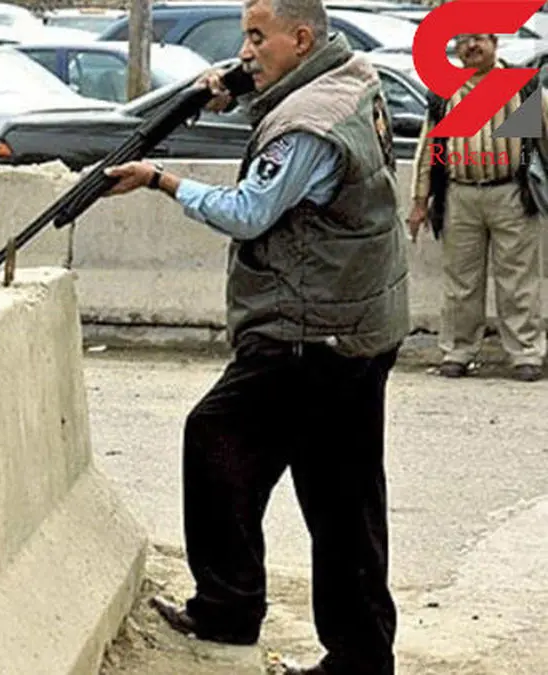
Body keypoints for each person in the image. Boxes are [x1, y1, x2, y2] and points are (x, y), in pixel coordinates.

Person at [100, 0, 410, 673]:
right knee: (346, 497)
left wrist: (161, 180)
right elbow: (292, 131)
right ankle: (357, 654)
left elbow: (249, 211)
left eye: (256, 37)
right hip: (358, 320)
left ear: (300, 38)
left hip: (308, 332)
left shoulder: (307, 124)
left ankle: (229, 608)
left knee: (217, 438)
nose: (244, 51)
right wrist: (238, 91)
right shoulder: (351, 77)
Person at [407, 33, 546, 383]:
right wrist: (420, 201)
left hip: (511, 195)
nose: (472, 46)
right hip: (460, 196)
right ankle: (458, 352)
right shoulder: (445, 93)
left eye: (479, 39)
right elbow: (429, 150)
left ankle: (525, 354)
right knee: (461, 283)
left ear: (494, 43)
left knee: (518, 282)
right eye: (464, 40)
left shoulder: (524, 88)